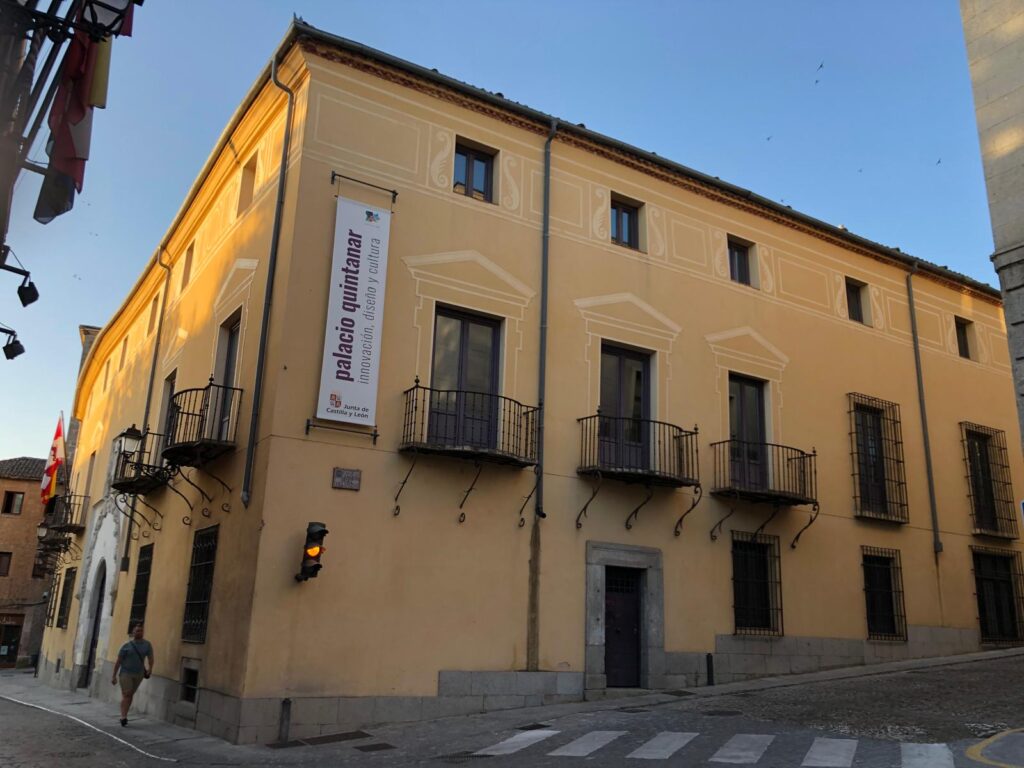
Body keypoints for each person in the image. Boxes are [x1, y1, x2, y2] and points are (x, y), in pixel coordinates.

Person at [111, 623, 153, 726]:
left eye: (141, 631)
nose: (139, 632)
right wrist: (114, 675)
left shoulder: (147, 645)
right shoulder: (126, 646)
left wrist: (150, 669)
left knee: (129, 695)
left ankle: (125, 714)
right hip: (125, 673)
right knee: (127, 694)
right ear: (133, 633)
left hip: (138, 674)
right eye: (137, 631)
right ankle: (123, 717)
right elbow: (118, 661)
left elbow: (151, 658)